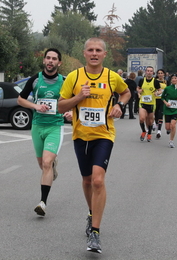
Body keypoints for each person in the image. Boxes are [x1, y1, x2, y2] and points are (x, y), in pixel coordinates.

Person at [58, 37, 130, 254]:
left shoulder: (111, 76)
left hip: (104, 135)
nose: (94, 53)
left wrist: (120, 104)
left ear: (104, 54)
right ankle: (91, 212)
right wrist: (79, 96)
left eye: (98, 50)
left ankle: (95, 233)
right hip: (80, 135)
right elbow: (61, 106)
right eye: (91, 50)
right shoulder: (74, 76)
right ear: (84, 53)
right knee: (87, 180)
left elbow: (126, 92)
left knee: (98, 180)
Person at [17, 48, 70, 217]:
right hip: (37, 125)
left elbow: (75, 102)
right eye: (48, 58)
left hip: (55, 125)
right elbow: (21, 99)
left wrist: (71, 112)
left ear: (59, 63)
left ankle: (43, 202)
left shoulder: (65, 81)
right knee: (42, 164)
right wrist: (35, 106)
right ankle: (52, 165)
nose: (50, 61)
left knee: (46, 163)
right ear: (44, 61)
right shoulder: (35, 80)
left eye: (54, 59)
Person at [161, 73, 177, 148]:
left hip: (176, 110)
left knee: (173, 125)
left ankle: (171, 141)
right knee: (167, 127)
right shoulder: (167, 88)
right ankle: (169, 130)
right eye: (172, 78)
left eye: (175, 78)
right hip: (168, 109)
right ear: (170, 80)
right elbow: (162, 97)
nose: (174, 80)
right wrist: (166, 103)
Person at [137, 66, 161, 142]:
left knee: (150, 121)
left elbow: (160, 90)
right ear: (145, 72)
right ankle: (144, 131)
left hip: (151, 104)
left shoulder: (155, 81)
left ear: (153, 73)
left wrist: (157, 93)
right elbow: (138, 88)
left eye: (151, 71)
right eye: (148, 71)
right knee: (141, 119)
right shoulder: (141, 80)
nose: (149, 72)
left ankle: (149, 133)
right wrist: (139, 91)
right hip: (142, 103)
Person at [154, 69, 167, 138]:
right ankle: (156, 124)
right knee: (156, 115)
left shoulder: (166, 82)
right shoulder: (154, 81)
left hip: (162, 100)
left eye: (161, 73)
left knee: (160, 115)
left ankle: (159, 130)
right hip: (155, 100)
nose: (160, 74)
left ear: (164, 74)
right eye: (159, 73)